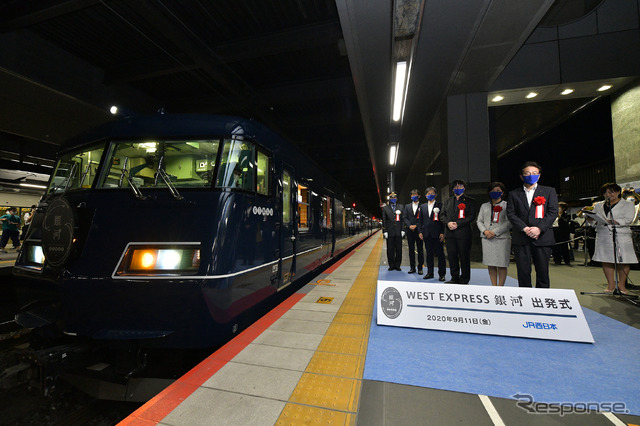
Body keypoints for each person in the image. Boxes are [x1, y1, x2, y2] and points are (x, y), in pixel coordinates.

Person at [506, 161, 558, 288]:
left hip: (542, 237)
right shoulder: (514, 194)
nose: (531, 175)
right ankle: (525, 297)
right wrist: (524, 228)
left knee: (542, 271)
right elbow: (511, 213)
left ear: (539, 176)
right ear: (521, 176)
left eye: (534, 173)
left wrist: (539, 228)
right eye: (527, 173)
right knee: (523, 271)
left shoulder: (549, 191)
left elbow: (553, 212)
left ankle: (542, 297)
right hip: (522, 237)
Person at [588, 183, 638, 294]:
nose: (608, 195)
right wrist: (590, 219)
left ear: (618, 192)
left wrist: (615, 221)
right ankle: (610, 284)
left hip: (621, 235)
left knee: (623, 260)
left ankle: (621, 285)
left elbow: (629, 219)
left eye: (611, 192)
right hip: (604, 235)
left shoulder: (627, 205)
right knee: (606, 260)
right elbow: (594, 221)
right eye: (605, 193)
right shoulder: (598, 205)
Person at [440, 179, 476, 284]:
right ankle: (454, 277)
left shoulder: (470, 201)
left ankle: (465, 278)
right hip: (449, 234)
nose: (458, 188)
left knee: (464, 256)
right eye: (455, 187)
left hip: (463, 234)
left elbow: (471, 216)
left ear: (464, 188)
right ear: (452, 189)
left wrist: (458, 224)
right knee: (452, 256)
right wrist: (448, 223)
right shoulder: (448, 201)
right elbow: (442, 215)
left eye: (460, 186)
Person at [476, 182, 512, 286]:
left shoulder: (506, 205)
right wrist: (485, 231)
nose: (495, 193)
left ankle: (500, 287)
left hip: (502, 238)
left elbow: (509, 222)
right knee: (490, 264)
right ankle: (494, 286)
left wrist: (495, 232)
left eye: (498, 191)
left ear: (502, 193)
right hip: (487, 238)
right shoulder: (484, 206)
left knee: (502, 264)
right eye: (493, 191)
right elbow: (479, 221)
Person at [418, 187, 446, 281]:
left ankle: (442, 274)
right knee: (429, 254)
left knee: (440, 254)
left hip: (437, 234)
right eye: (428, 193)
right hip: (426, 234)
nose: (430, 195)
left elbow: (443, 220)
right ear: (426, 195)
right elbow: (420, 220)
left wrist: (442, 232)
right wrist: (420, 232)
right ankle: (430, 273)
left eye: (432, 193)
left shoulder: (440, 205)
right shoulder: (422, 207)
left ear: (436, 194)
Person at [382, 191, 404, 271]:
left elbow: (403, 219)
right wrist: (385, 231)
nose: (393, 199)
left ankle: (397, 265)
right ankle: (391, 265)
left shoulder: (401, 207)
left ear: (397, 198)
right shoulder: (385, 208)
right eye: (391, 197)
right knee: (390, 249)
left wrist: (403, 230)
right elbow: (384, 220)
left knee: (399, 249)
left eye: (394, 197)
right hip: (390, 231)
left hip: (398, 231)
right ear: (389, 199)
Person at [403, 189, 424, 274]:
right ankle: (412, 267)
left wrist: (416, 225)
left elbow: (423, 218)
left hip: (419, 231)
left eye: (415, 194)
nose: (413, 196)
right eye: (412, 195)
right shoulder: (407, 206)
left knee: (420, 249)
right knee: (411, 249)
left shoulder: (423, 206)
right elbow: (404, 217)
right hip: (410, 231)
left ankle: (420, 268)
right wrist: (409, 225)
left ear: (419, 196)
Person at [552, 201, 572, 266]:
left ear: (563, 208)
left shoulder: (567, 215)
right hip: (555, 231)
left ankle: (567, 260)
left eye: (559, 207)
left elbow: (565, 222)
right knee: (556, 247)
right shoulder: (553, 215)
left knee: (564, 247)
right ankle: (557, 260)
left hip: (563, 233)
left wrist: (559, 216)